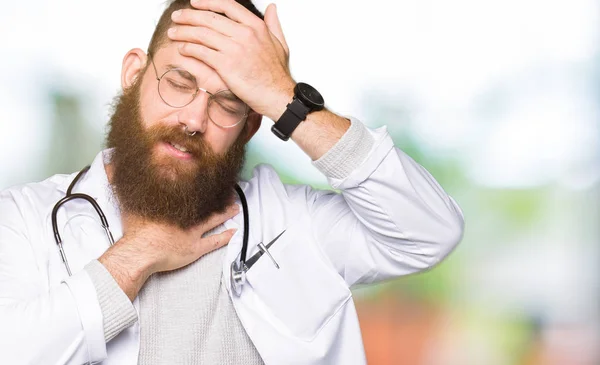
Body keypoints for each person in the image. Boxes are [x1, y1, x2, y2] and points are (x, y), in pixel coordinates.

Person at [0, 0, 464, 364]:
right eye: (179, 83)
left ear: (251, 125)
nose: (194, 119)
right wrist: (136, 256)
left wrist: (287, 98)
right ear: (133, 74)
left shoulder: (292, 224)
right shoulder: (23, 219)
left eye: (228, 104)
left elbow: (428, 233)